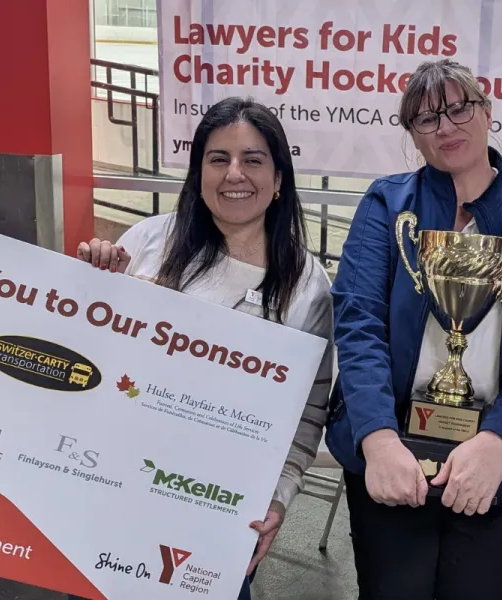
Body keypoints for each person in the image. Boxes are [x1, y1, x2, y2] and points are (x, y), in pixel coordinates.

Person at [324, 59, 502, 600]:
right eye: (424, 118)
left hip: (497, 460)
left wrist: (498, 441)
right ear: (413, 136)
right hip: (394, 451)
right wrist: (375, 437)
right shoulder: (387, 205)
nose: (444, 126)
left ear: (486, 112)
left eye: (458, 107)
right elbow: (359, 320)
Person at [76, 97, 333, 600]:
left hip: (218, 509)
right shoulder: (147, 243)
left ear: (279, 179)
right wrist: (91, 286)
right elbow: (90, 358)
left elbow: (310, 410)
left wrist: (276, 502)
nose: (234, 173)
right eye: (218, 159)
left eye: (253, 160)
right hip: (111, 486)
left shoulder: (307, 285)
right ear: (197, 174)